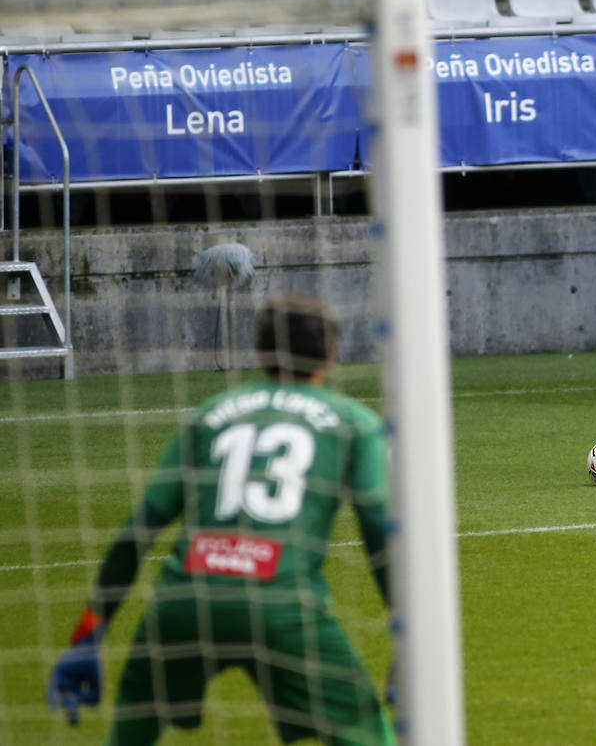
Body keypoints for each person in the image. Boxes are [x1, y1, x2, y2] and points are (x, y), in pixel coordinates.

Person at [46, 295, 395, 745]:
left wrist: (87, 636)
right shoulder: (356, 423)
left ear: (259, 349)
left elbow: (140, 529)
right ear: (332, 353)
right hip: (284, 607)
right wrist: (409, 634)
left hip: (184, 602)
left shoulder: (209, 415)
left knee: (131, 732)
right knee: (367, 733)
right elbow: (376, 524)